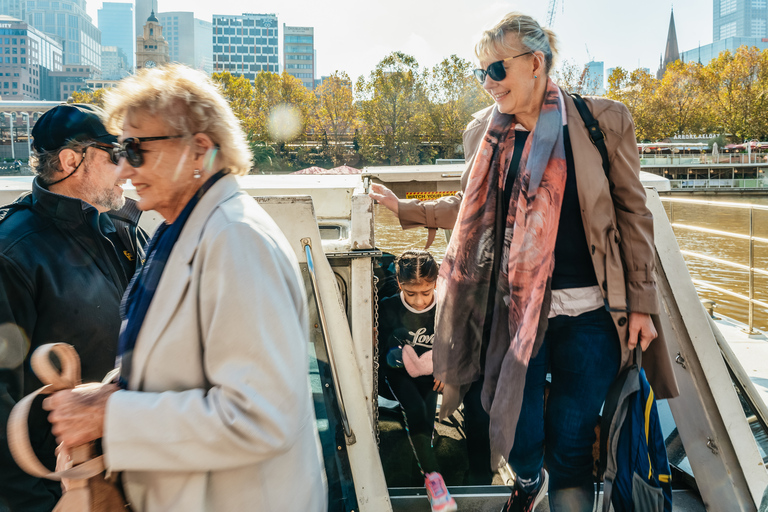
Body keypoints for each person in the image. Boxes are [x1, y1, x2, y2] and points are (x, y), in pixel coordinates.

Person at [370, 12, 679, 512]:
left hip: (593, 315)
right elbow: (468, 205)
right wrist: (404, 209)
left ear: (535, 63)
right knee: (516, 431)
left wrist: (641, 305)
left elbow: (633, 215)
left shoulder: (603, 122)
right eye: (480, 73)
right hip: (514, 315)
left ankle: (555, 490)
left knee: (573, 443)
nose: (487, 84)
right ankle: (529, 482)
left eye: (496, 70)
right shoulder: (486, 134)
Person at [41, 65, 327, 512]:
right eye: (120, 150)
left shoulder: (237, 239)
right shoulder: (183, 231)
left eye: (136, 149)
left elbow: (261, 417)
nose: (122, 171)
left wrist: (108, 415)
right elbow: (178, 362)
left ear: (200, 151)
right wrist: (107, 395)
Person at [0, 104, 147, 512]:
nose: (129, 167)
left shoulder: (124, 231)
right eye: (117, 153)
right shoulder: (12, 253)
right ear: (70, 161)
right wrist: (37, 505)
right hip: (61, 490)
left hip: (132, 477)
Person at [377, 250, 456, 512]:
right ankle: (434, 480)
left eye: (426, 292)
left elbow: (454, 343)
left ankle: (423, 442)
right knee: (415, 409)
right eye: (411, 293)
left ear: (436, 284)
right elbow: (379, 350)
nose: (420, 301)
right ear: (400, 284)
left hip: (432, 374)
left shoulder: (446, 306)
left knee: (426, 412)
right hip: (398, 373)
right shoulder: (387, 306)